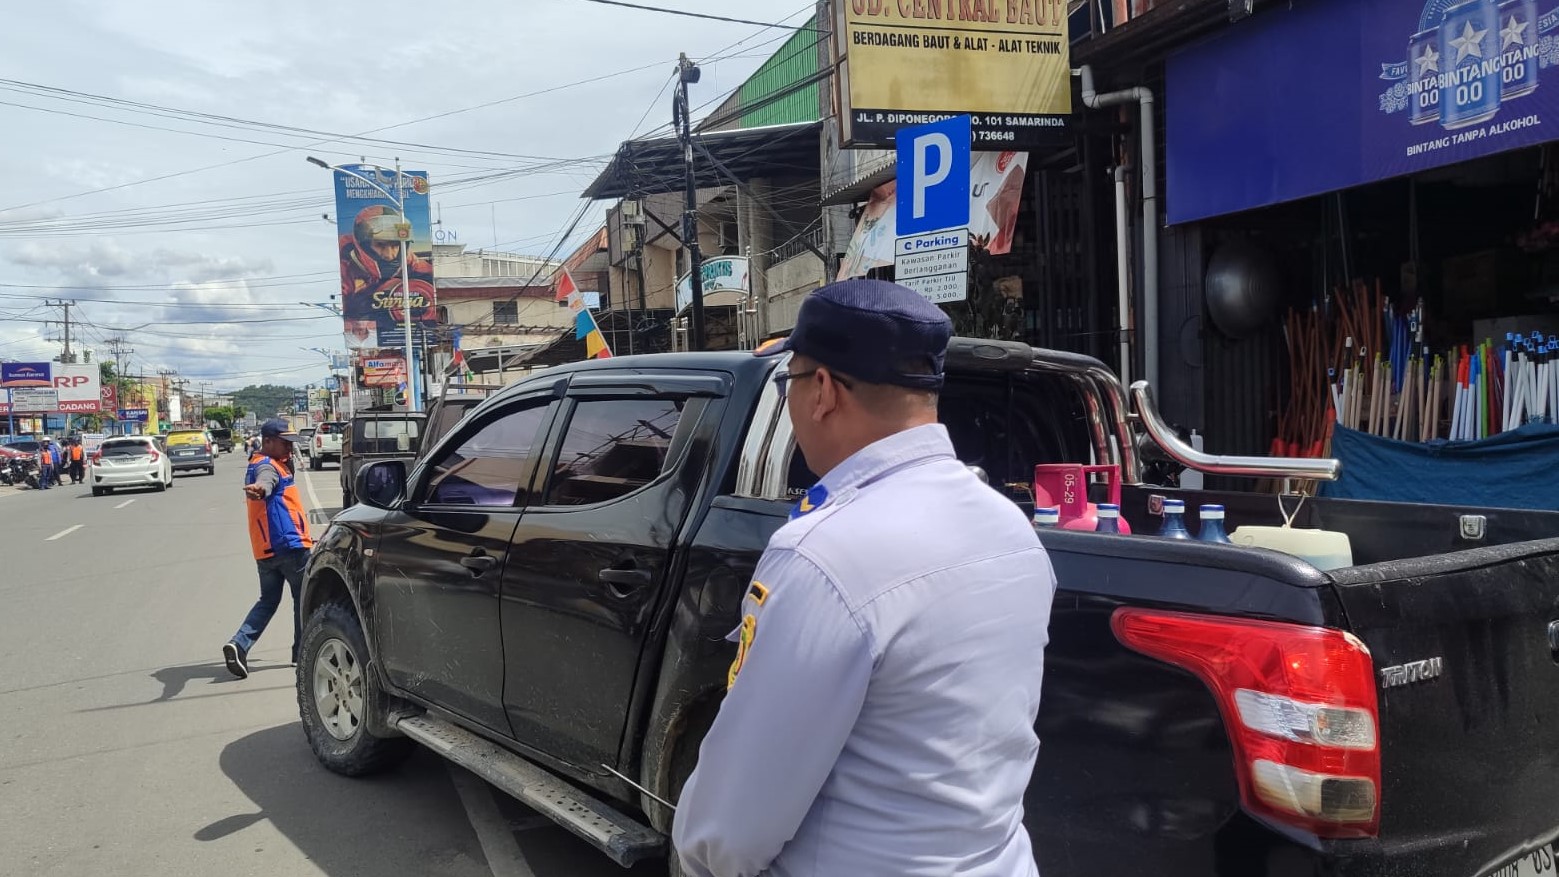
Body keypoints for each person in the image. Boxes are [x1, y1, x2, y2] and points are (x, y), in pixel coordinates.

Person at [671, 279, 1058, 877]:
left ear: (821, 389)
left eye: (789, 382)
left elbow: (732, 825)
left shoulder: (824, 555)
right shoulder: (1009, 528)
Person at [223, 419, 312, 679]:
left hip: (266, 550)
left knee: (269, 600)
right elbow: (265, 482)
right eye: (285, 443)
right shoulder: (267, 467)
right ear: (268, 441)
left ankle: (239, 645)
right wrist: (260, 490)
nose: (289, 449)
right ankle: (303, 652)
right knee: (304, 597)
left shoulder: (271, 463)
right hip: (290, 546)